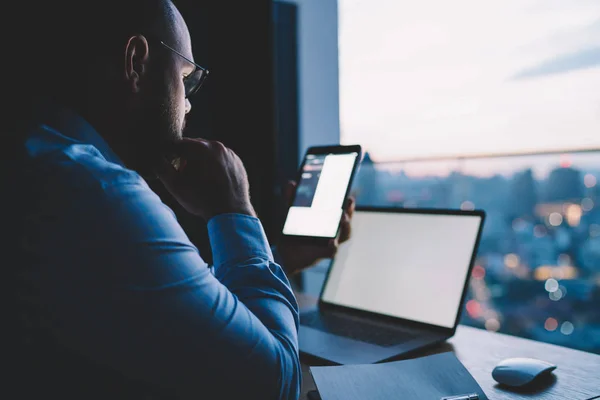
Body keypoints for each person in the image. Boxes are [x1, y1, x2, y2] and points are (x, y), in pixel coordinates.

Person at [2, 0, 353, 399]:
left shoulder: (35, 157)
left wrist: (280, 257)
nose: (187, 103)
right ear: (135, 62)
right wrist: (234, 209)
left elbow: (172, 297)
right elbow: (276, 381)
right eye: (186, 76)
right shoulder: (100, 196)